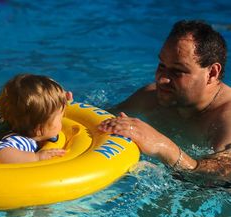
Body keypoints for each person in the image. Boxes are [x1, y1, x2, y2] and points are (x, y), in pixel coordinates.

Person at [98, 20, 231, 186]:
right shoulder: (151, 97)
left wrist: (162, 146)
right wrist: (60, 108)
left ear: (212, 73)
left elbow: (223, 176)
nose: (162, 79)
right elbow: (99, 119)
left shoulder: (226, 117)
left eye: (178, 71)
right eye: (161, 65)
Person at [0, 74, 68, 164]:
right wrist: (36, 157)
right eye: (60, 118)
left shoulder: (5, 118)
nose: (62, 119)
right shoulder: (22, 142)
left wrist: (59, 99)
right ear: (39, 129)